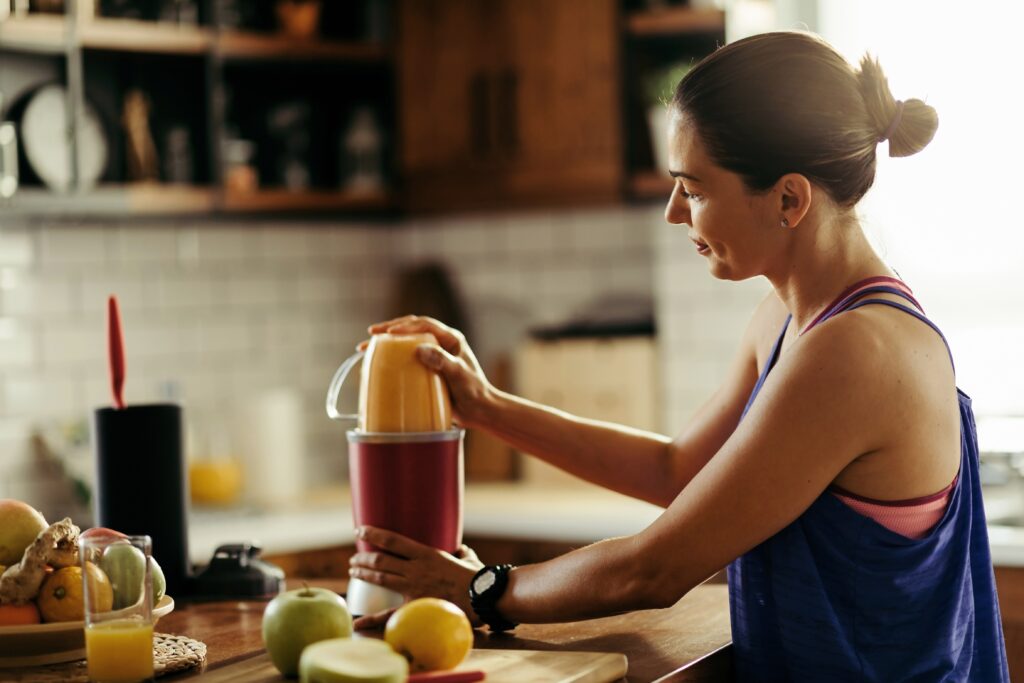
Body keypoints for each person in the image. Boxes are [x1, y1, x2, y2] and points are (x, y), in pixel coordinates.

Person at [349, 31, 1009, 681]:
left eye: (692, 189)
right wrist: (487, 406)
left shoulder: (857, 351)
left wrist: (482, 588)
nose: (673, 213)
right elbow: (679, 470)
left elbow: (656, 568)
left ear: (789, 198)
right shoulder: (789, 318)